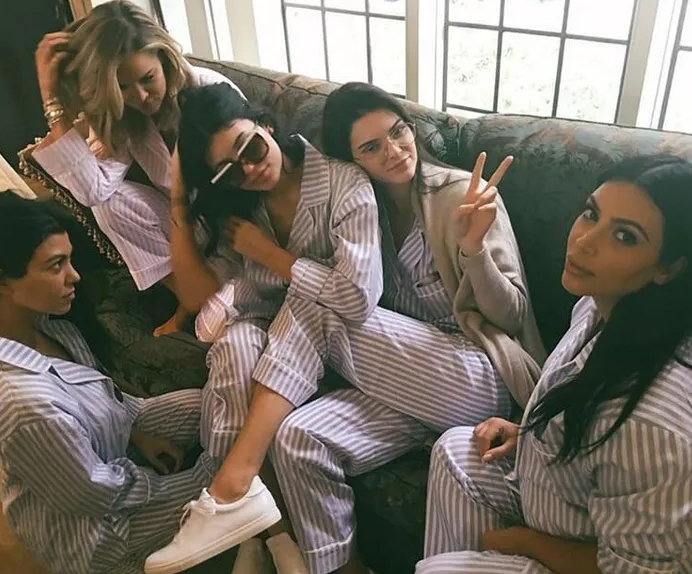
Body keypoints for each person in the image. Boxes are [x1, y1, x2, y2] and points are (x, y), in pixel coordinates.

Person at [268, 82, 546, 574]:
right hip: (408, 382)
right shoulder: (357, 209)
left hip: (477, 375)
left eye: (399, 132)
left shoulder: (462, 194)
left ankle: (234, 478)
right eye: (372, 147)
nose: (395, 152)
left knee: (322, 302)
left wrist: (474, 250)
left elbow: (513, 315)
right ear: (351, 161)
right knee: (295, 438)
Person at [144, 82, 382, 574]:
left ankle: (232, 495)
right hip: (266, 332)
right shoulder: (238, 207)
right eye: (230, 171)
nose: (250, 170)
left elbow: (358, 299)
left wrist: (270, 255)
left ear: (267, 125)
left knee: (298, 307)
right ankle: (269, 535)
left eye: (250, 148)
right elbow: (196, 296)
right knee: (233, 350)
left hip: (336, 340)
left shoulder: (343, 181)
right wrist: (179, 198)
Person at [416, 154, 692, 574]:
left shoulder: (651, 427)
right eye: (590, 214)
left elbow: (636, 569)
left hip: (590, 556)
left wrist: (523, 543)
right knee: (456, 449)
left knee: (437, 571)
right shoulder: (597, 304)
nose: (584, 241)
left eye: (624, 236)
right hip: (559, 502)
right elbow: (579, 397)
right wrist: (532, 433)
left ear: (669, 268)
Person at [0, 193, 214, 574]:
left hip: (111, 447)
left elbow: (102, 396)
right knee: (225, 471)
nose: (75, 276)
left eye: (69, 260)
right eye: (56, 265)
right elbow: (94, 492)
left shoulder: (51, 326)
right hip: (96, 533)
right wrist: (177, 480)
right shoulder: (24, 403)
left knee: (215, 406)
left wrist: (138, 436)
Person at [30, 0, 244, 336]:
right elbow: (93, 191)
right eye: (122, 87)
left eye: (148, 79)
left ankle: (202, 301)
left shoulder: (209, 93)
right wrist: (52, 101)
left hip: (235, 226)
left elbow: (250, 182)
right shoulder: (128, 117)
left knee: (215, 328)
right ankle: (186, 299)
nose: (141, 96)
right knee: (109, 204)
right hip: (189, 227)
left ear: (164, 58)